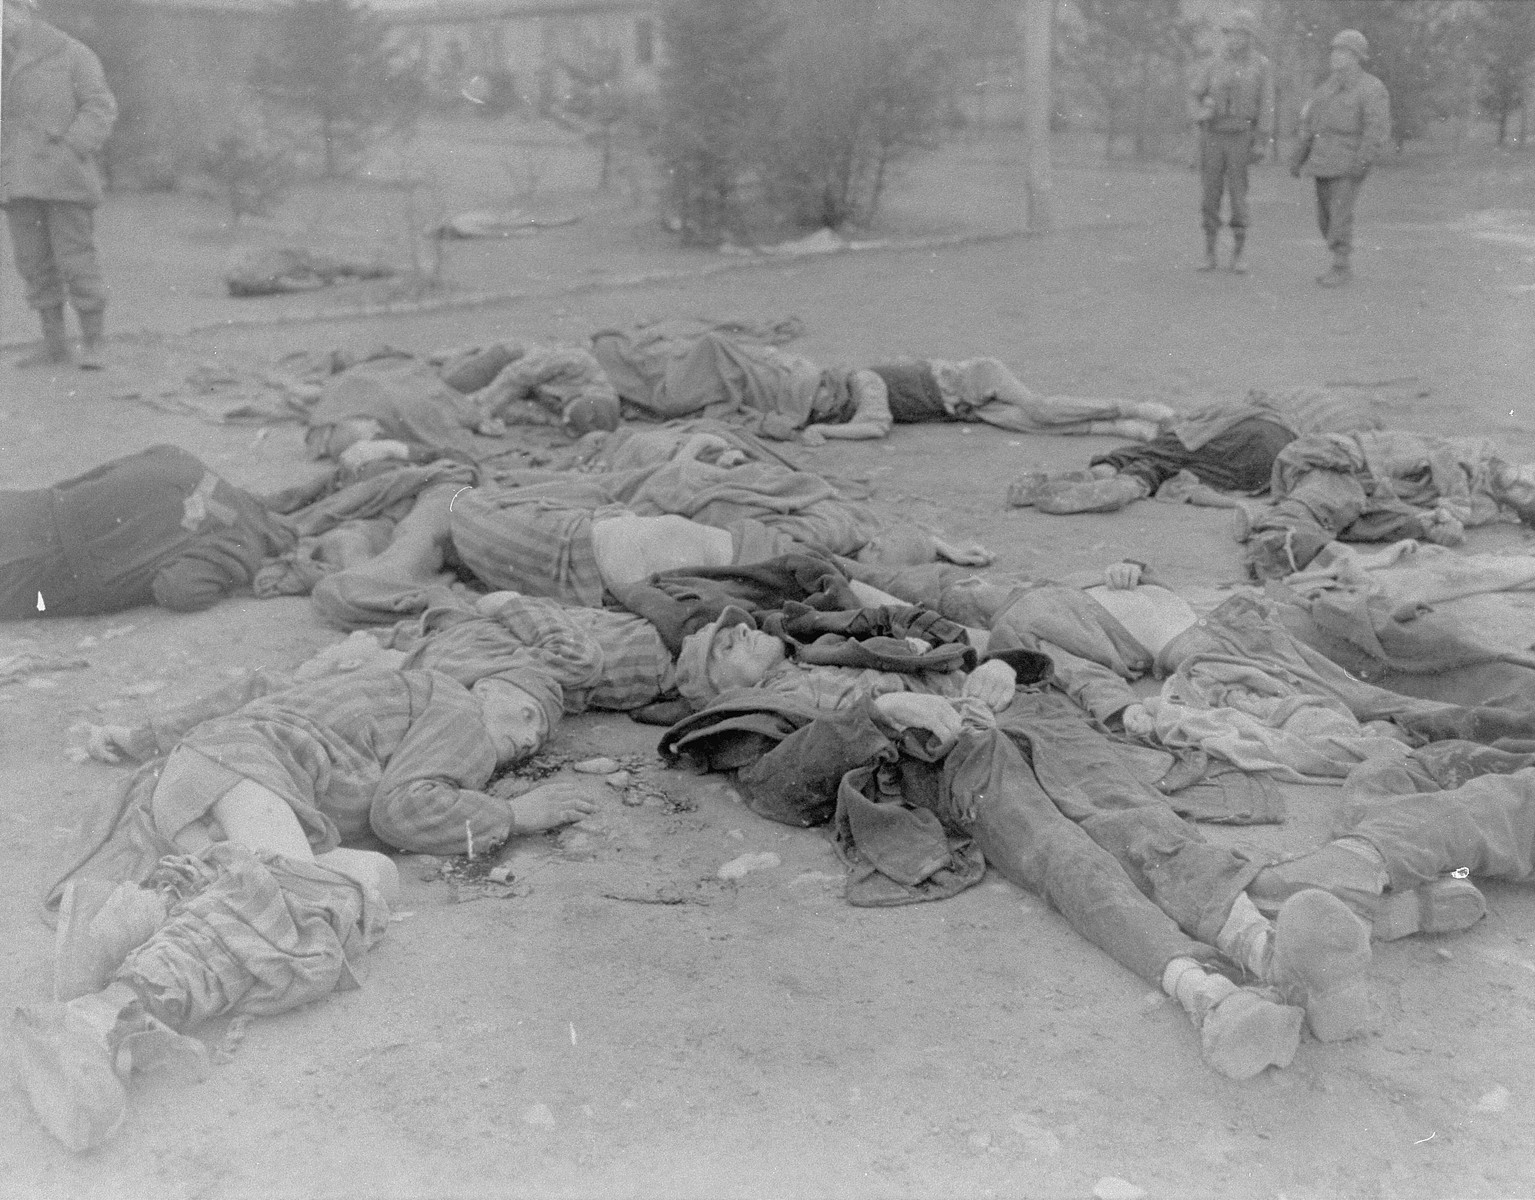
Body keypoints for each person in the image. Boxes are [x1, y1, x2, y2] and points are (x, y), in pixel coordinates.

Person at [17, 663, 599, 1152]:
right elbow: (402, 810)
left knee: (373, 879)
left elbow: (253, 684)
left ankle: (133, 920)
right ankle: (102, 1016)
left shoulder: (398, 686)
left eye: (540, 738)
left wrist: (140, 735)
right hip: (245, 776)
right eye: (528, 715)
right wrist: (516, 815)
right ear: (488, 689)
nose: (529, 738)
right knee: (300, 916)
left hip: (202, 780)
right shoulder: (463, 715)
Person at [591, 329, 1174, 443]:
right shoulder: (851, 388)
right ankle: (1122, 427)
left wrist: (835, 435)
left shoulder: (867, 384)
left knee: (1040, 410)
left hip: (970, 380)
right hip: (958, 409)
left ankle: (1134, 405)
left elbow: (875, 425)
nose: (820, 405)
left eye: (824, 400)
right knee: (1031, 426)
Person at [0, 444, 295, 619]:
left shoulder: (182, 458)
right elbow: (179, 591)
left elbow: (106, 471)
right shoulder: (240, 541)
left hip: (32, 509)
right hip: (50, 569)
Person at [1, 0, 117, 369]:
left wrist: (72, 149)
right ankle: (54, 346)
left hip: (64, 178)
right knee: (33, 263)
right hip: (18, 179)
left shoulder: (71, 53)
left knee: (77, 260)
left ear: (26, 11)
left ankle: (94, 343)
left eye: (5, 12)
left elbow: (99, 105)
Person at [1289, 29, 1391, 287]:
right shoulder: (1325, 89)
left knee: (1339, 217)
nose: (1335, 56)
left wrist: (1363, 162)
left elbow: (1375, 130)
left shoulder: (1371, 89)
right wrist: (1298, 158)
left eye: (1342, 51)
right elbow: (1310, 126)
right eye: (1334, 51)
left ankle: (1341, 266)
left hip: (1348, 163)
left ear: (1356, 57)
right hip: (1322, 163)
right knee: (1325, 219)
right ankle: (1338, 259)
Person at [1189, 8, 1275, 274]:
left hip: (1241, 137)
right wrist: (1200, 112)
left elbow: (1266, 106)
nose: (1234, 40)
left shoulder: (1261, 65)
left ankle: (1239, 254)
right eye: (1230, 34)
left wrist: (1262, 140)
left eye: (1240, 34)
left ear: (1250, 37)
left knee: (1239, 197)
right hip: (1213, 136)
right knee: (1210, 195)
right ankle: (1209, 253)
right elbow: (1194, 94)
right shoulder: (1213, 63)